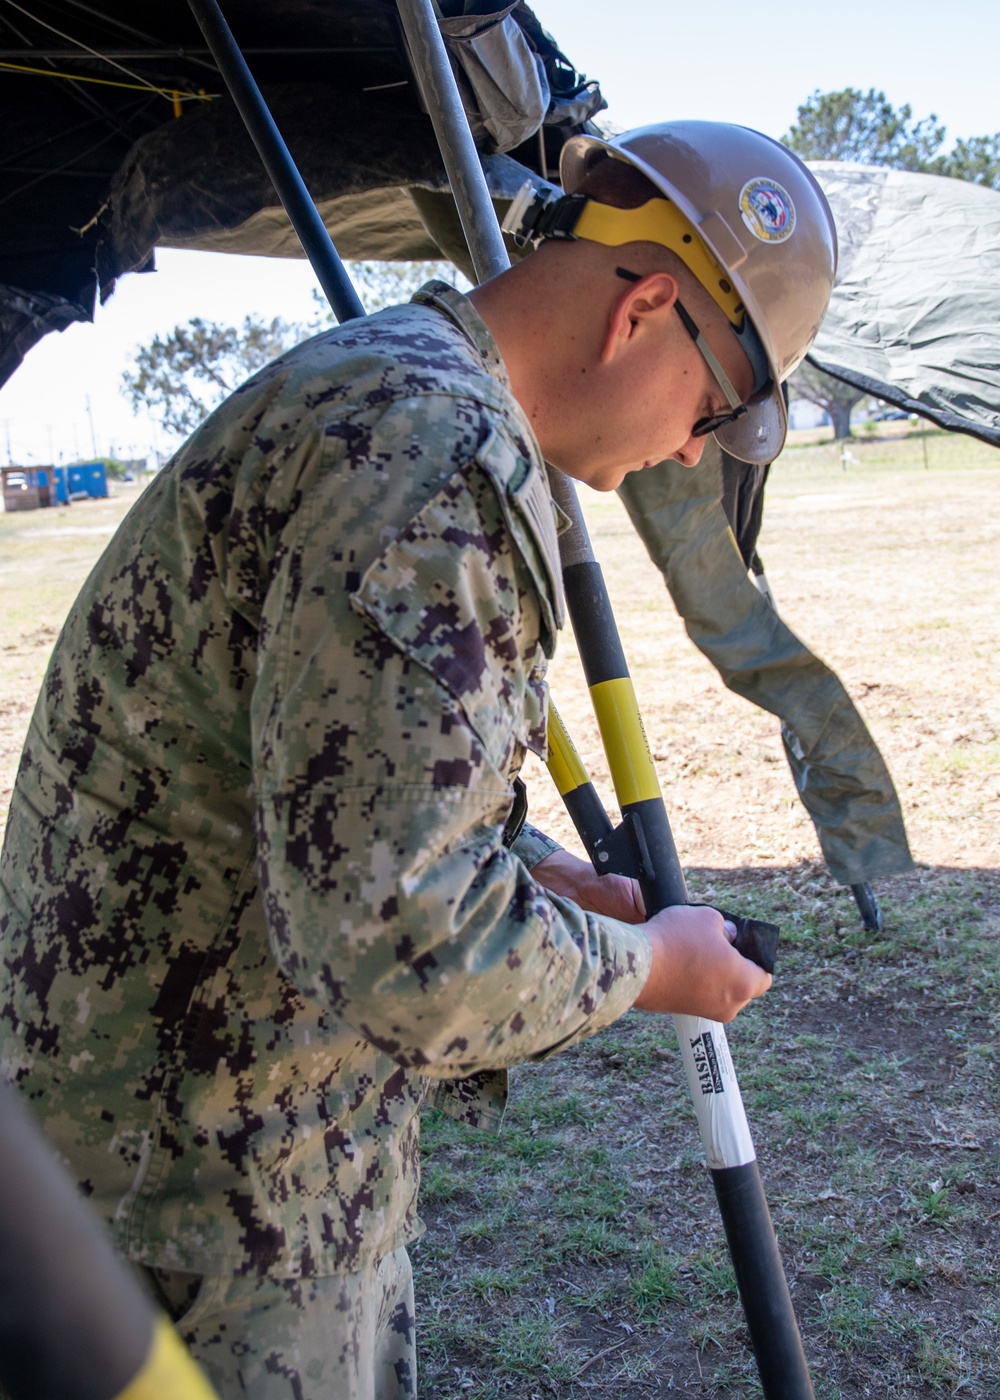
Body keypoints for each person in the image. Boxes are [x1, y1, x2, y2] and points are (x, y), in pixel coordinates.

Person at [0, 121, 836, 1399]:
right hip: (207, 1215)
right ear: (648, 309)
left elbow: (352, 785)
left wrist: (561, 882)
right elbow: (416, 947)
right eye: (710, 410)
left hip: (145, 1150)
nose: (683, 451)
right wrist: (653, 966)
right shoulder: (432, 454)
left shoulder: (385, 385)